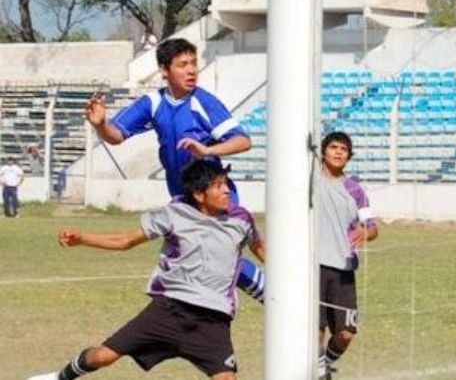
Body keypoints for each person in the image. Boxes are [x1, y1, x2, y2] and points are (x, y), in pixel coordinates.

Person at [27, 160, 265, 380]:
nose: (227, 191)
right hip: (169, 309)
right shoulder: (174, 214)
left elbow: (261, 250)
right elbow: (125, 241)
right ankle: (60, 377)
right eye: (219, 186)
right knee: (103, 357)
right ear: (199, 194)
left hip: (213, 320)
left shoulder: (241, 219)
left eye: (226, 184)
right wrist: (82, 239)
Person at [84, 37, 265, 303]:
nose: (191, 70)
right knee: (204, 258)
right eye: (183, 65)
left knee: (220, 253)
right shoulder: (153, 103)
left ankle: (283, 294)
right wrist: (100, 125)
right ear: (164, 70)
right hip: (182, 198)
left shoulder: (203, 102)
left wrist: (207, 151)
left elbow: (242, 141)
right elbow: (116, 136)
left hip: (214, 193)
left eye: (194, 63)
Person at [317, 132, 378, 379]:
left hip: (343, 269)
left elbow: (372, 226)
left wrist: (367, 232)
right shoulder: (309, 180)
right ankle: (320, 373)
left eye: (344, 149)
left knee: (345, 334)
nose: (339, 152)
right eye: (334, 147)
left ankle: (325, 365)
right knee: (315, 328)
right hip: (314, 266)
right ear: (323, 151)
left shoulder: (355, 190)